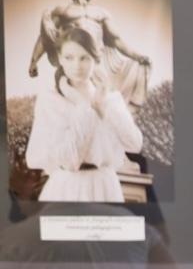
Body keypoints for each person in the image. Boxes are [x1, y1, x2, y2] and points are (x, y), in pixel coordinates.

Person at [24, 28, 143, 203]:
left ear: (95, 59)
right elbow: (70, 161)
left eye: (84, 58)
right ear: (60, 58)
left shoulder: (110, 98)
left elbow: (134, 144)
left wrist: (105, 106)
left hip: (105, 188)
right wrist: (87, 108)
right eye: (69, 58)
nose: (77, 66)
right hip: (66, 188)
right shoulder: (51, 100)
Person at [28, 0, 152, 106]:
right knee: (74, 105)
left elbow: (117, 40)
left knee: (102, 106)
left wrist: (137, 56)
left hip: (96, 64)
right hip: (73, 65)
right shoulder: (63, 11)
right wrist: (33, 61)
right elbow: (45, 36)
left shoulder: (101, 13)